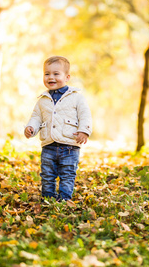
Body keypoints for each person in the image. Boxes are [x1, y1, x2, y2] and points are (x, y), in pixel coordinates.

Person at [24, 56, 92, 201]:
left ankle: (64, 199)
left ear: (67, 77)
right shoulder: (42, 100)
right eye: (47, 74)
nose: (51, 77)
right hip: (49, 145)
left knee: (67, 174)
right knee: (47, 174)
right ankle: (48, 198)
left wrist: (84, 130)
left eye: (56, 74)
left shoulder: (76, 98)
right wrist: (31, 127)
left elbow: (85, 114)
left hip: (69, 146)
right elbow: (36, 117)